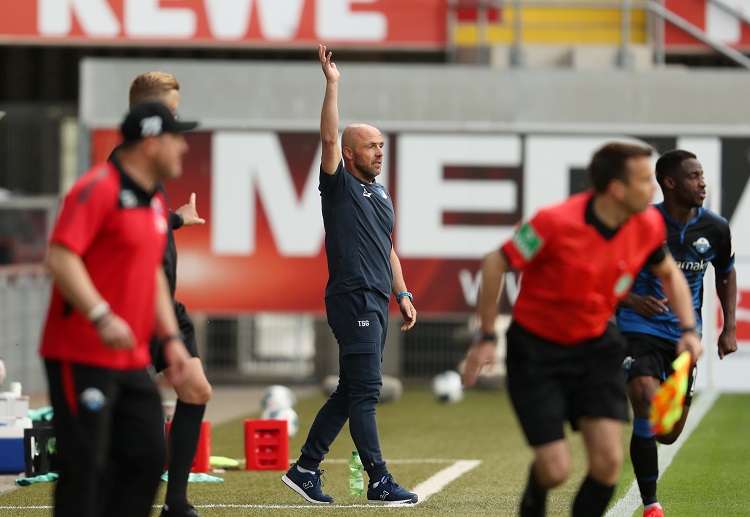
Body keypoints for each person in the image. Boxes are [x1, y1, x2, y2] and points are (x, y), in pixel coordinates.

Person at [463, 142, 704, 517]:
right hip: (537, 352)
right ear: (616, 189)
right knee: (556, 469)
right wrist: (487, 336)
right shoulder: (553, 222)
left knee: (607, 463)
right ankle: (535, 493)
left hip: (596, 347)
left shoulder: (647, 223)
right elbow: (496, 262)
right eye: (644, 180)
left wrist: (689, 329)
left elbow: (669, 273)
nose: (654, 189)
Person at [39, 102, 197, 517]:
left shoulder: (152, 204)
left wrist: (172, 340)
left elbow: (153, 277)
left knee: (147, 455)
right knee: (85, 465)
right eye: (175, 137)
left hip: (131, 357)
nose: (183, 147)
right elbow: (60, 258)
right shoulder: (98, 188)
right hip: (81, 354)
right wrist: (101, 315)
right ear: (150, 142)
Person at [281, 44, 418, 505]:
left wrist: (403, 294)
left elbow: (389, 249)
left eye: (382, 145)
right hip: (353, 297)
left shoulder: (380, 196)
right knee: (367, 393)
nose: (380, 152)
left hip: (377, 299)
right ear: (350, 152)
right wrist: (332, 84)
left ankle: (304, 469)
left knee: (350, 390)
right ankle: (378, 480)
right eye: (372, 146)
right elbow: (327, 138)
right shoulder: (338, 185)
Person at [616, 149, 736, 517]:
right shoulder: (640, 223)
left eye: (702, 176)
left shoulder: (715, 228)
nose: (702, 183)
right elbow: (606, 271)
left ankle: (648, 458)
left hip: (685, 334)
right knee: (643, 395)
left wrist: (728, 327)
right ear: (669, 183)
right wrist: (633, 299)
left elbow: (726, 273)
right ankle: (651, 505)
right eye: (693, 176)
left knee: (666, 431)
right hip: (638, 327)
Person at [126, 72, 211, 517]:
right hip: (132, 313)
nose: (177, 126)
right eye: (170, 114)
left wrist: (177, 220)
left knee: (196, 390)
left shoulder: (151, 176)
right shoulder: (119, 178)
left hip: (164, 309)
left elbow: (150, 231)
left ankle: (175, 504)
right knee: (133, 427)